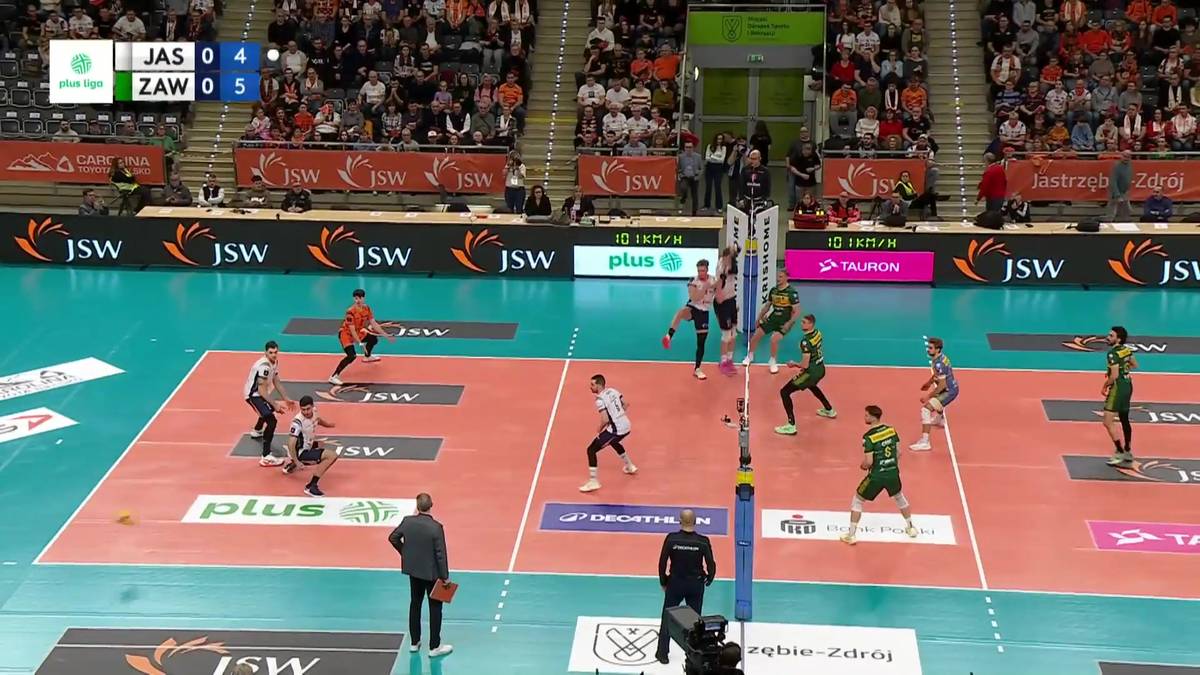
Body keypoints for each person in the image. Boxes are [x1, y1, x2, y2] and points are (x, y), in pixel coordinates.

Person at [387, 493, 453, 657]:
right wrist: (445, 577)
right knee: (435, 608)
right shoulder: (436, 527)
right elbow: (440, 554)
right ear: (431, 505)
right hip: (432, 574)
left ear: (417, 507)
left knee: (415, 604)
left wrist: (405, 553)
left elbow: (393, 538)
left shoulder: (407, 522)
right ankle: (434, 647)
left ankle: (414, 642)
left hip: (414, 571)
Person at [841, 405, 918, 545]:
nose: (864, 417)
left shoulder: (868, 437)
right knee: (899, 497)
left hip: (876, 476)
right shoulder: (891, 431)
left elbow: (869, 462)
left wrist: (863, 466)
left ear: (872, 417)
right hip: (893, 473)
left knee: (858, 500)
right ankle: (911, 528)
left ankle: (851, 535)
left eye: (866, 415)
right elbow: (898, 453)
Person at [654, 509, 716, 665]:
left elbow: (662, 563)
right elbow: (711, 564)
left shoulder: (671, 539)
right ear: (695, 522)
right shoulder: (702, 541)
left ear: (680, 521)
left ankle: (662, 654)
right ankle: (694, 656)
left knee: (667, 618)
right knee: (695, 622)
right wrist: (709, 578)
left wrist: (663, 581)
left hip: (675, 584)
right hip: (695, 585)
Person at [775, 314, 836, 435]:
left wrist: (794, 364)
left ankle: (791, 425)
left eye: (804, 322)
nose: (801, 324)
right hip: (820, 368)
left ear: (811, 324)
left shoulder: (805, 342)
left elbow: (805, 365)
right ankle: (829, 410)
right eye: (802, 322)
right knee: (811, 385)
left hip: (811, 372)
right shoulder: (817, 333)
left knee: (784, 392)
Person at [579, 374, 637, 492]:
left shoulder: (600, 400)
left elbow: (605, 419)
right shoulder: (613, 391)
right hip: (627, 425)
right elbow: (625, 404)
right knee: (613, 442)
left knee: (591, 449)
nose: (590, 387)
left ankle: (593, 481)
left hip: (617, 430)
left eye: (593, 384)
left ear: (599, 385)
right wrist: (618, 416)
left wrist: (599, 429)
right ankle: (629, 466)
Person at [661, 259, 717, 380]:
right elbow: (694, 297)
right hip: (693, 308)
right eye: (699, 271)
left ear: (707, 270)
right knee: (681, 312)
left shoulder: (714, 280)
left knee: (701, 343)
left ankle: (697, 369)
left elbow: (719, 294)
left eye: (703, 270)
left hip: (704, 312)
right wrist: (705, 287)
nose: (700, 273)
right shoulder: (693, 281)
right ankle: (668, 336)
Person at [329, 288, 394, 385]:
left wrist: (385, 335)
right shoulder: (350, 312)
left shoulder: (367, 308)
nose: (358, 300)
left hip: (358, 332)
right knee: (351, 356)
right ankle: (333, 376)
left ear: (363, 298)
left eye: (359, 298)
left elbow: (374, 323)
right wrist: (360, 343)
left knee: (373, 339)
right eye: (356, 298)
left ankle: (367, 357)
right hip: (346, 334)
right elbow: (351, 329)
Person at [245, 341, 294, 466]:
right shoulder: (264, 366)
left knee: (267, 411)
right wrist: (275, 404)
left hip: (260, 394)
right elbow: (261, 390)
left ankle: (257, 430)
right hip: (253, 395)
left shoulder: (275, 362)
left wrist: (286, 398)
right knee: (272, 421)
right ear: (265, 352)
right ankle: (266, 456)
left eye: (275, 352)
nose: (274, 355)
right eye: (271, 352)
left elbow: (276, 381)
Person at [741, 270, 799, 373]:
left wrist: (789, 323)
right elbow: (767, 306)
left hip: (784, 322)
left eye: (781, 277)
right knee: (756, 335)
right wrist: (759, 318)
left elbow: (797, 311)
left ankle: (772, 361)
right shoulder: (773, 290)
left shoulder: (792, 292)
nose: (778, 279)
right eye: (777, 276)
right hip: (773, 319)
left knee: (774, 339)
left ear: (786, 278)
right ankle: (750, 356)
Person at [282, 395, 339, 496]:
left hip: (307, 444)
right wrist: (297, 461)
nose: (306, 412)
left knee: (320, 444)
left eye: (308, 409)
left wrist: (328, 425)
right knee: (332, 456)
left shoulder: (314, 411)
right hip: (300, 452)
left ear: (313, 406)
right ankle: (311, 486)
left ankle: (291, 465)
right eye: (303, 410)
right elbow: (291, 444)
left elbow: (318, 420)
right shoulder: (297, 422)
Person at [911, 337, 958, 451]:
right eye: (928, 347)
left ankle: (925, 442)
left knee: (926, 409)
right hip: (948, 388)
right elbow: (937, 375)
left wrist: (927, 396)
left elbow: (942, 385)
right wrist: (928, 383)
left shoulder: (939, 364)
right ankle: (939, 419)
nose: (928, 350)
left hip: (949, 391)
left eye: (931, 348)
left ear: (937, 349)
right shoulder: (939, 358)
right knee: (936, 401)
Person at [1102, 326, 1138, 467]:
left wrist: (1105, 385)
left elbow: (1114, 376)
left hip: (1117, 388)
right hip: (1128, 386)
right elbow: (1134, 364)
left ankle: (1119, 452)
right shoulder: (1126, 350)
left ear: (1118, 339)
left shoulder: (1112, 354)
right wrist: (1123, 369)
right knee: (1124, 419)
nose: (1108, 337)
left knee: (1107, 421)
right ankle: (1128, 451)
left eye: (1111, 336)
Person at [713, 245, 739, 376]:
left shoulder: (732, 264)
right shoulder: (722, 265)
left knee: (734, 334)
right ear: (726, 256)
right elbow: (719, 282)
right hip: (722, 303)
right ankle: (723, 362)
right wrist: (718, 295)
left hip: (731, 300)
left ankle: (729, 360)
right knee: (726, 335)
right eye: (731, 255)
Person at [1107, 150, 1133, 221]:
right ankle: (1109, 222)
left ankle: (1125, 223)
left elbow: (1129, 178)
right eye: (1125, 156)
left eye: (1128, 157)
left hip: (1124, 192)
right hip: (1116, 192)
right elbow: (1113, 181)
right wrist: (1117, 195)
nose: (1126, 158)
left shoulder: (1129, 166)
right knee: (1111, 213)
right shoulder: (1117, 166)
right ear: (1121, 156)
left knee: (1127, 211)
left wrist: (1127, 190)